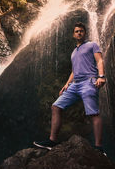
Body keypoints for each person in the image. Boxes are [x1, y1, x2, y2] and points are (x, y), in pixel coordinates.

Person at [33, 22, 106, 154]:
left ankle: (99, 148)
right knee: (56, 106)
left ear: (85, 33)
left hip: (89, 82)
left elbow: (99, 60)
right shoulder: (74, 52)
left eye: (81, 31)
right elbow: (74, 70)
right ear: (73, 34)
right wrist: (67, 84)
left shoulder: (92, 45)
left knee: (94, 113)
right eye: (77, 31)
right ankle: (52, 141)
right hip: (75, 84)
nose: (79, 33)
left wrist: (101, 76)